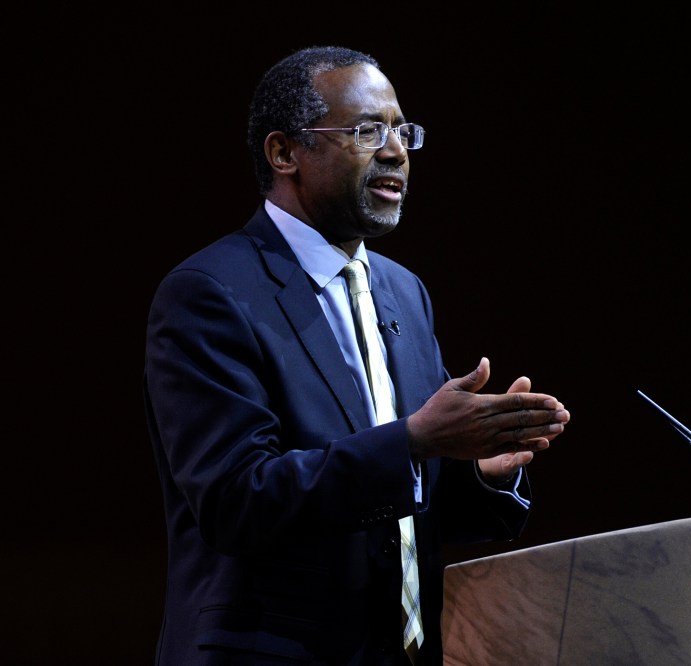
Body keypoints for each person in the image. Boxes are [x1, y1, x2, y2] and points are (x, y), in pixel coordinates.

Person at [143, 45, 571, 666]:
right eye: (367, 130)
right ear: (284, 152)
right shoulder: (210, 293)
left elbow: (390, 514)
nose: (395, 150)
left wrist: (475, 474)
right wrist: (414, 442)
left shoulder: (403, 291)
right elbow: (237, 500)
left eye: (402, 130)